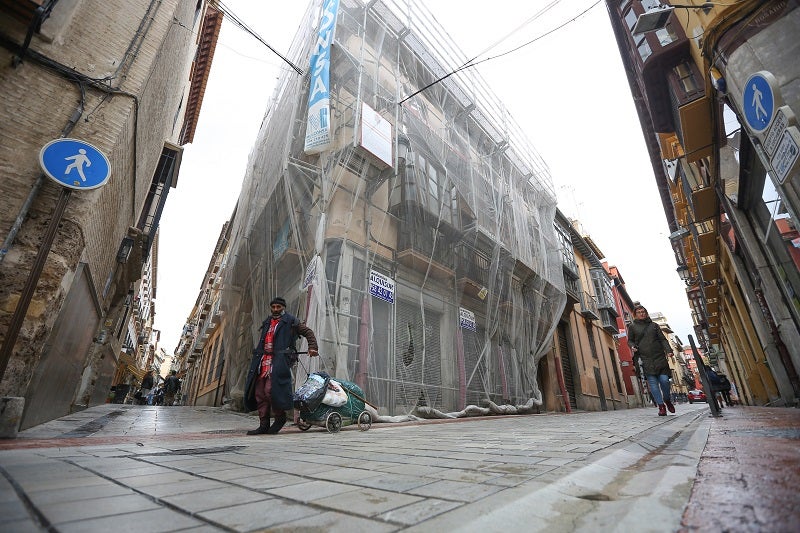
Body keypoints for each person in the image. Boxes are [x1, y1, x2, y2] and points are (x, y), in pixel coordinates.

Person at [244, 296, 318, 435]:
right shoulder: (267, 322)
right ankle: (263, 425)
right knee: (259, 393)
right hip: (263, 361)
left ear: (283, 308)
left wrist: (312, 347)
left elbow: (308, 332)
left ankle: (280, 418)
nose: (276, 310)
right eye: (274, 307)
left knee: (270, 390)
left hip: (279, 361)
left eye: (279, 307)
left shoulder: (291, 321)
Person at [628, 305, 675, 416]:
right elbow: (629, 340)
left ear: (646, 313)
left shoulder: (654, 326)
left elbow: (663, 340)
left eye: (643, 311)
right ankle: (661, 406)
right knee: (653, 384)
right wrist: (632, 346)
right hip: (644, 358)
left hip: (659, 357)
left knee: (664, 381)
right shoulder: (632, 327)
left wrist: (669, 350)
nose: (642, 313)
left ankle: (667, 400)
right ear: (635, 314)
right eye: (639, 312)